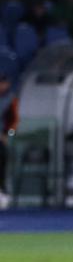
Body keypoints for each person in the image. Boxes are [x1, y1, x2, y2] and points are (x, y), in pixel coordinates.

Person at [0, 74, 19, 206]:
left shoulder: (9, 99)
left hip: (1, 138)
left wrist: (7, 134)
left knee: (2, 162)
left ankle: (2, 191)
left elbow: (14, 121)